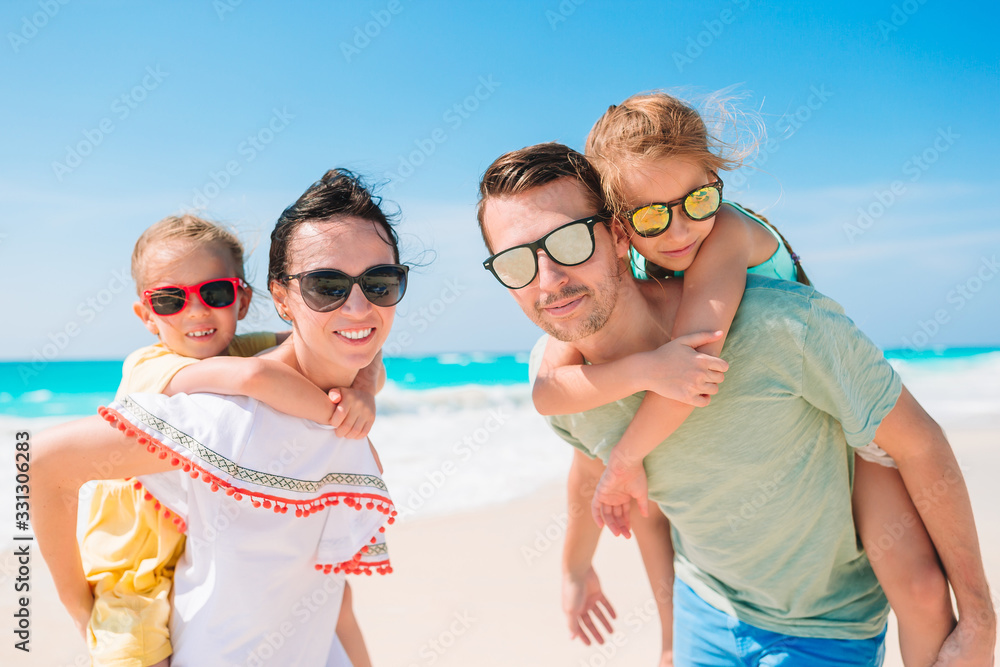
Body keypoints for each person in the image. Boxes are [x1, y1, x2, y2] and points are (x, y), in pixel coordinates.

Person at [477, 142, 996, 666]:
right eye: (516, 262)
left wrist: (979, 617)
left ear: (617, 235)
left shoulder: (782, 326)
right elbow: (595, 467)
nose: (549, 281)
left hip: (821, 630)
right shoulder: (563, 379)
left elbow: (920, 444)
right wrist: (580, 574)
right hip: (702, 611)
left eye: (570, 241)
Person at [33, 169, 404, 666]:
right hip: (128, 564)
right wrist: (77, 605)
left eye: (380, 282)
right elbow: (43, 462)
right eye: (326, 286)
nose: (357, 306)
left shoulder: (258, 362)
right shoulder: (210, 403)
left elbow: (333, 596)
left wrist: (362, 390)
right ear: (281, 298)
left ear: (243, 300)